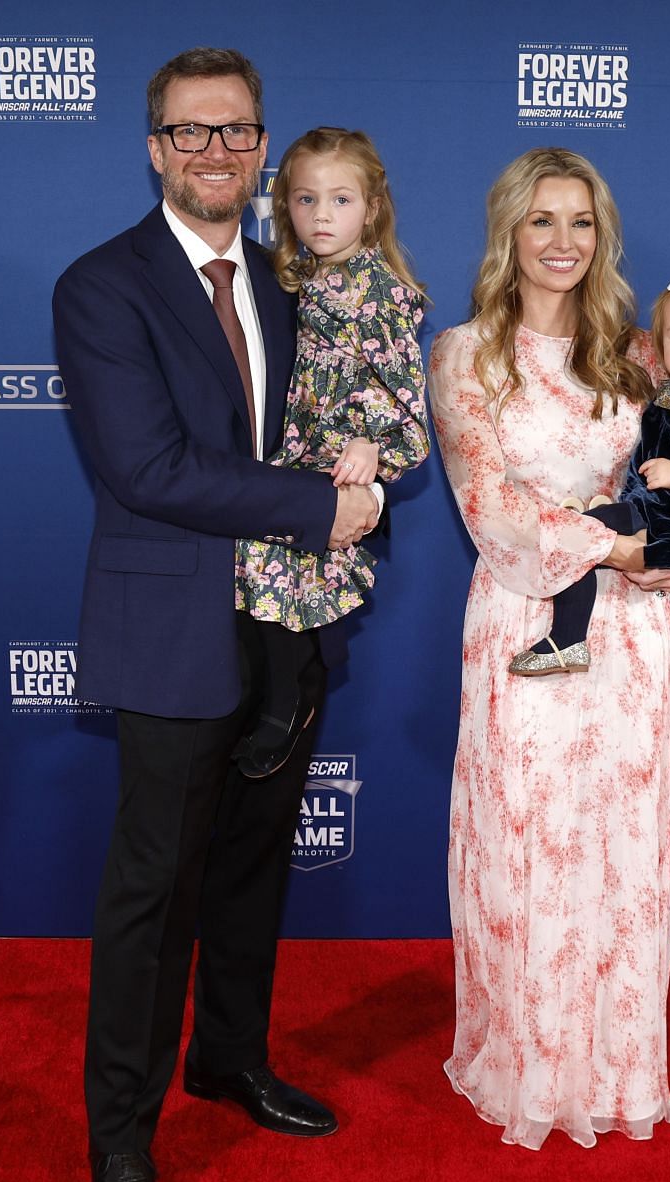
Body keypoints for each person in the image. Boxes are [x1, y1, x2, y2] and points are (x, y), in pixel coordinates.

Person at [51, 47, 380, 1182]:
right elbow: (145, 468)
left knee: (251, 866)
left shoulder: (300, 285)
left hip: (287, 627)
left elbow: (352, 415)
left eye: (237, 133)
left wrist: (365, 475)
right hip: (172, 629)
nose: (215, 154)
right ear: (153, 147)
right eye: (190, 134)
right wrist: (319, 505)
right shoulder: (102, 286)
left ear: (264, 148)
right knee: (152, 891)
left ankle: (230, 1059)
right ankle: (121, 1139)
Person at [428, 148, 670, 1150]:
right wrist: (626, 545)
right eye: (541, 221)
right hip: (526, 620)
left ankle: (613, 1069)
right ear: (509, 233)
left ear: (602, 236)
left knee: (624, 855)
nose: (562, 242)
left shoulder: (642, 357)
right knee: (527, 850)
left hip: (635, 636)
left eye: (581, 222)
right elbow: (491, 507)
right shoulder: (465, 355)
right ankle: (524, 1064)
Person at [234, 127, 430, 775]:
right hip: (289, 456)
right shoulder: (299, 276)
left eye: (341, 200)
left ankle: (287, 704)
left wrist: (372, 446)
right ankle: (298, 677)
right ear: (283, 204)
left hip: (333, 468)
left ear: (372, 207)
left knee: (280, 574)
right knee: (266, 583)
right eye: (305, 199)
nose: (322, 216)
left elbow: (405, 399)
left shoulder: (380, 294)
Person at [510, 268, 670, 675]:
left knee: (582, 535)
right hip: (654, 510)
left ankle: (566, 640)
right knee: (581, 530)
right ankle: (570, 640)